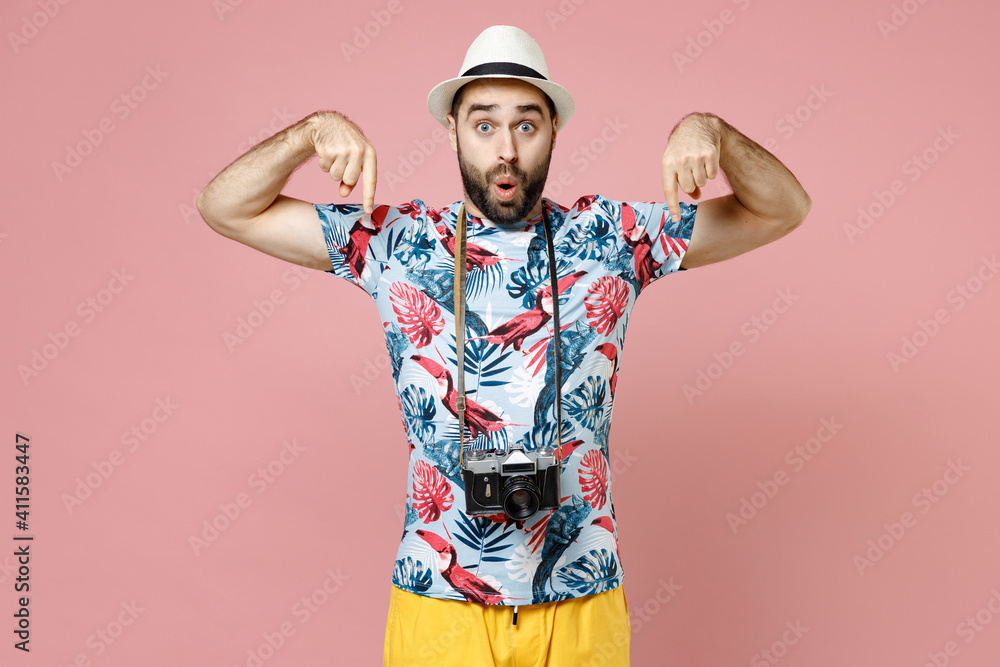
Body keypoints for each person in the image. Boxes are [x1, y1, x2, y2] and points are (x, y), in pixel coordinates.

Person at [197, 24, 811, 667]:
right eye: (484, 124)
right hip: (439, 597)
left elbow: (782, 209)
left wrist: (710, 130)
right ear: (454, 131)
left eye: (526, 124)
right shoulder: (398, 243)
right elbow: (225, 207)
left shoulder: (612, 238)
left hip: (583, 593)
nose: (506, 151)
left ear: (553, 132)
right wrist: (312, 131)